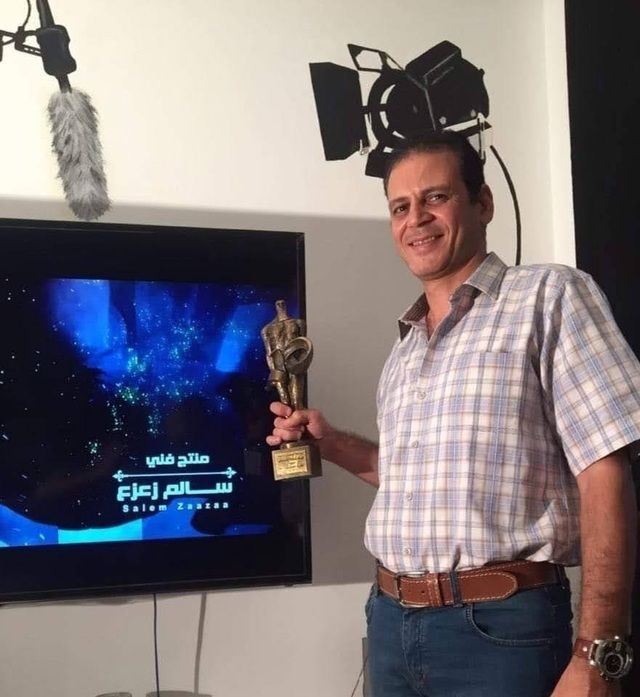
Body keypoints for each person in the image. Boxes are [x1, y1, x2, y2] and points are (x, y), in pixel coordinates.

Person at [267, 131, 640, 697]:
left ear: (482, 203)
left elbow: (605, 472)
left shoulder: (550, 296)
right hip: (390, 622)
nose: (416, 218)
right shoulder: (404, 349)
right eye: (400, 207)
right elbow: (413, 481)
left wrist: (598, 653)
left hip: (502, 630)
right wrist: (331, 442)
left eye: (435, 197)